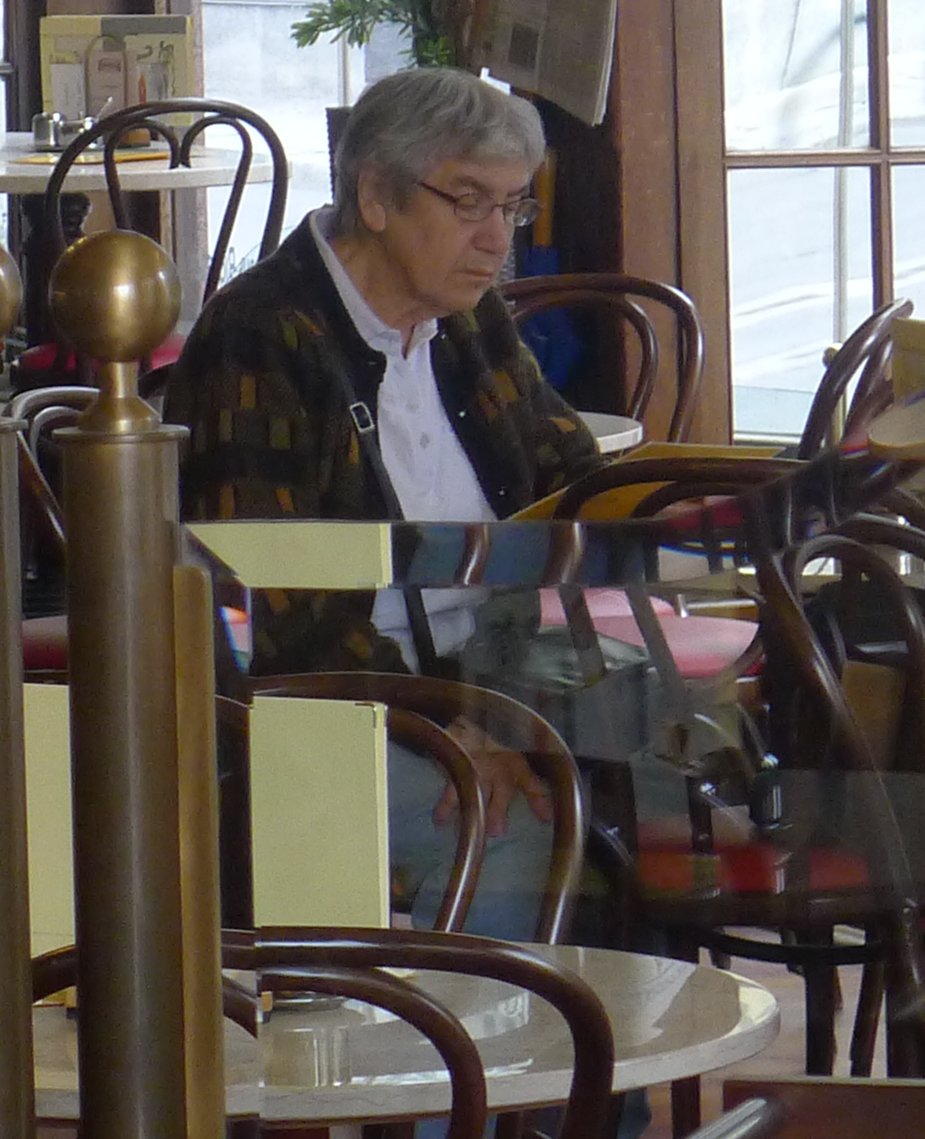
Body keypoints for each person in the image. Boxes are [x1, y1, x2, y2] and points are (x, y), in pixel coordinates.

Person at [164, 64, 601, 925]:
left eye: (512, 207)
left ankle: (608, 1011)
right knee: (509, 824)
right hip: (313, 710)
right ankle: (473, 1021)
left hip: (483, 672)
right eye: (470, 202)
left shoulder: (464, 317)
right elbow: (281, 607)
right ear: (375, 196)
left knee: (660, 771)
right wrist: (448, 730)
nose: (497, 240)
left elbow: (574, 478)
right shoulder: (261, 338)